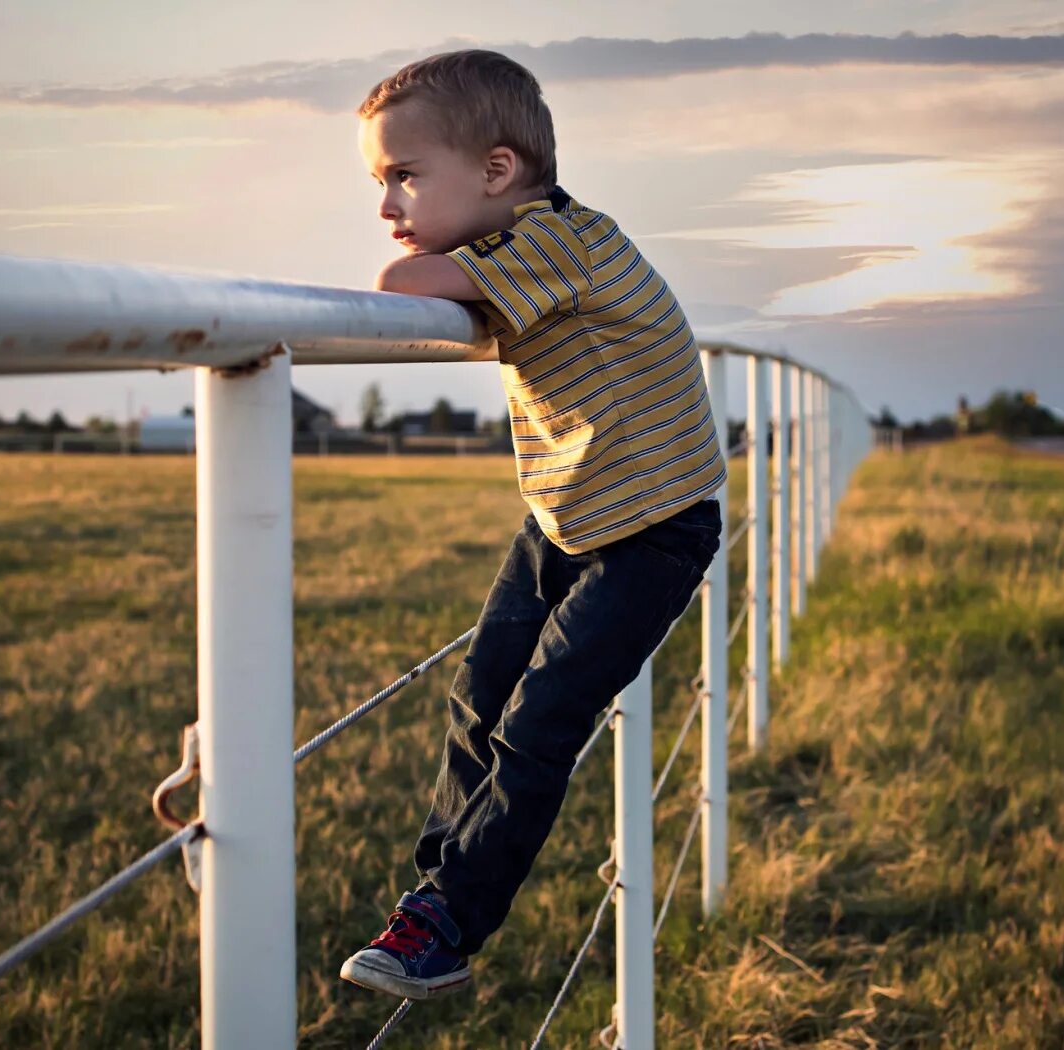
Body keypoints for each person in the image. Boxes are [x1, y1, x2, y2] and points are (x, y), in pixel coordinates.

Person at [338, 48, 727, 1000]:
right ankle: (433, 894)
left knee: (538, 722)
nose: (387, 205)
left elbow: (404, 284)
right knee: (479, 697)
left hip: (655, 525)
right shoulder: (523, 245)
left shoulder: (557, 241)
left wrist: (418, 260)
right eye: (379, 182)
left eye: (403, 177)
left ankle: (450, 922)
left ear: (498, 173)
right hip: (570, 508)